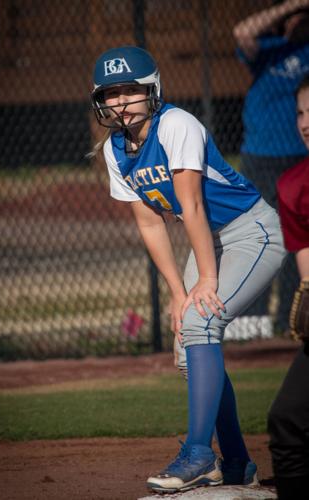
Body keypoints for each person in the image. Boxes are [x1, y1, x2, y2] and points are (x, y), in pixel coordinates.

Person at [90, 45, 287, 494]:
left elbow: (193, 205)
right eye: (111, 93)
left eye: (130, 91)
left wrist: (207, 281)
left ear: (153, 90)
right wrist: (179, 292)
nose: (120, 102)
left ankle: (200, 454)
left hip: (251, 232)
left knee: (202, 321)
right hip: (211, 241)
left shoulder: (175, 124)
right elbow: (149, 222)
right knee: (188, 343)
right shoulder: (115, 150)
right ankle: (236, 462)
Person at [233, 0, 309, 334]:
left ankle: (292, 321)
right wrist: (293, 5)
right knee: (257, 238)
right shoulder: (268, 48)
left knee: (298, 241)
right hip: (260, 156)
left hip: (299, 159)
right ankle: (254, 324)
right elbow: (242, 32)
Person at [267, 74, 309, 500]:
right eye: (300, 112)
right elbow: (308, 273)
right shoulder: (294, 185)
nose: (306, 121)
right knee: (286, 420)